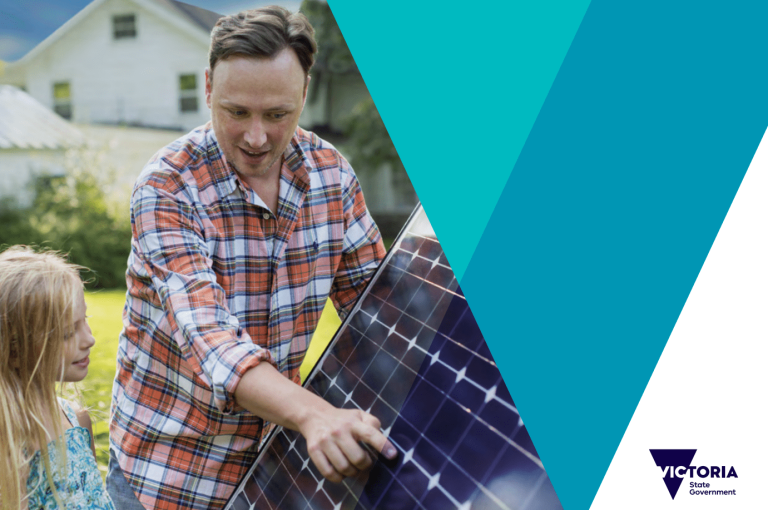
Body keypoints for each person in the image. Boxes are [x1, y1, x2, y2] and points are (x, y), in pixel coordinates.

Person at [108, 6, 396, 509]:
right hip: (167, 474)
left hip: (273, 468)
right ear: (207, 90)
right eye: (237, 112)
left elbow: (382, 313)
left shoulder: (332, 176)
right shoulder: (167, 187)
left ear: (304, 94)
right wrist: (312, 413)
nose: (257, 137)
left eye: (277, 114)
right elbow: (212, 341)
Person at [0, 246, 114, 510]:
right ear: (14, 351)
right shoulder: (11, 448)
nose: (90, 339)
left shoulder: (76, 419)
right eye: (67, 333)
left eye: (84, 320)